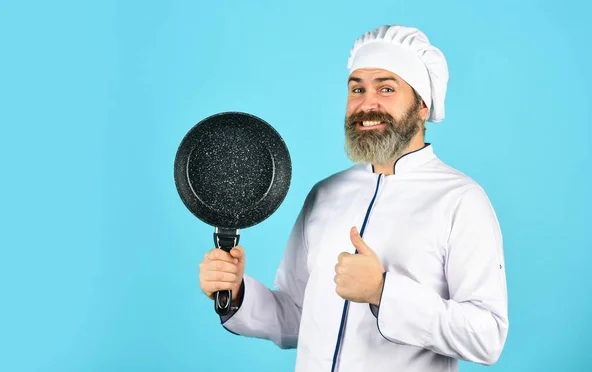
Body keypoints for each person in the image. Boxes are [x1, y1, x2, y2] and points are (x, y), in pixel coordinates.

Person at [198, 24, 509, 372]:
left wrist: (382, 292)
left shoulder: (461, 200)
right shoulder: (325, 194)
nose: (367, 104)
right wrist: (237, 292)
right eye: (357, 89)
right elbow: (297, 315)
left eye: (386, 89)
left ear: (423, 105)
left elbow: (488, 335)